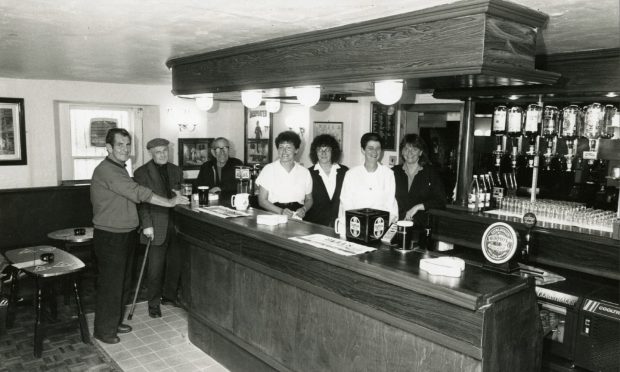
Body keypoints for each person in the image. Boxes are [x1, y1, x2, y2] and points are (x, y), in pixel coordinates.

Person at [90, 128, 188, 344]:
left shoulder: (120, 168)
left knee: (123, 283)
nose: (125, 149)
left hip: (125, 234)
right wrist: (170, 202)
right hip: (110, 237)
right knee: (111, 285)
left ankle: (114, 322)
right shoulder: (108, 170)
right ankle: (104, 331)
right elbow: (138, 193)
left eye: (127, 144)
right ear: (108, 148)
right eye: (119, 145)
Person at [134, 138, 184, 319]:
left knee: (175, 264)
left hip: (176, 225)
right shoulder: (141, 172)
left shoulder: (176, 170)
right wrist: (146, 224)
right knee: (155, 268)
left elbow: (179, 195)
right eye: (158, 152)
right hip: (155, 225)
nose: (163, 155)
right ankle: (153, 304)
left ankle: (169, 297)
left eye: (165, 151)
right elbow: (142, 202)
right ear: (151, 153)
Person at [339, 132, 398, 223]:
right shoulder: (351, 174)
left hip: (380, 226)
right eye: (370, 148)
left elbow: (391, 205)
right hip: (356, 225)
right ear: (363, 150)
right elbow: (346, 204)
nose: (374, 152)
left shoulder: (388, 174)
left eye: (378, 148)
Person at [256, 130, 313, 218]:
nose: (284, 151)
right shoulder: (268, 169)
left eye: (288, 147)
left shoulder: (304, 172)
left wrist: (304, 209)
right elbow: (262, 200)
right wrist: (281, 211)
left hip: (296, 217)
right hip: (274, 215)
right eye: (281, 147)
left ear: (296, 150)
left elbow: (309, 199)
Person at [393, 134, 446, 225]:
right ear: (402, 151)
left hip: (421, 226)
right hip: (397, 223)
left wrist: (418, 207)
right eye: (406, 149)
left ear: (420, 152)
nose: (410, 153)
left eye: (414, 149)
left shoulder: (430, 172)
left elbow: (441, 201)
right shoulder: (394, 172)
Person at [304, 134, 348, 227]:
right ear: (315, 152)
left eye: (327, 150)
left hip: (339, 225)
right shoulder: (308, 173)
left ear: (333, 152)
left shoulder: (344, 172)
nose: (323, 153)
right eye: (320, 150)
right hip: (314, 225)